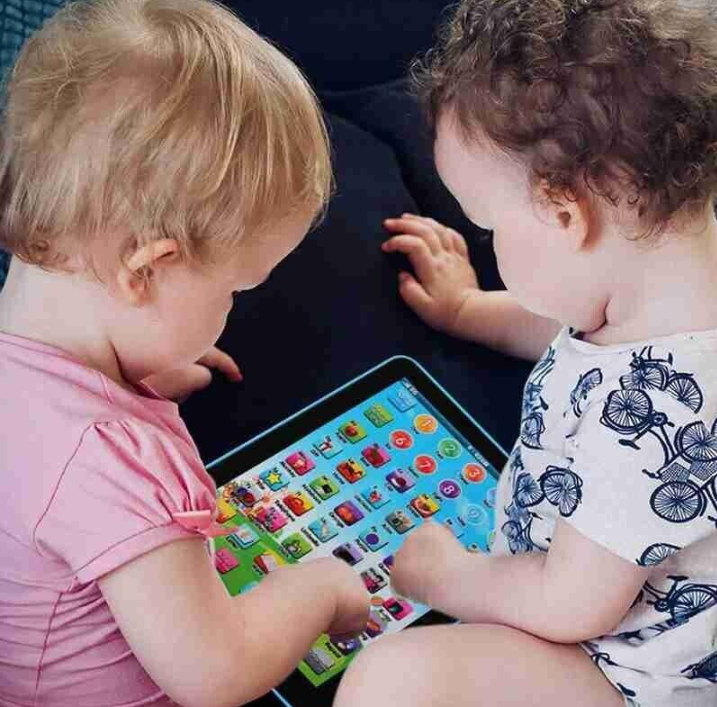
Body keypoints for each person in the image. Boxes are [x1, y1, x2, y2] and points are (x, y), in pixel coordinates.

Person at [334, 1, 717, 706]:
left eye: (489, 228)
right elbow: (580, 332)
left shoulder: (659, 415)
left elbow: (568, 604)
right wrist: (468, 309)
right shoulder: (666, 277)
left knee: (391, 680)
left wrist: (444, 576)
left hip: (628, 670)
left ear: (565, 213)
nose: (488, 245)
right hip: (597, 596)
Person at [0, 0, 368, 705]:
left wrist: (140, 366)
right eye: (235, 288)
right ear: (146, 270)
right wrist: (321, 588)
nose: (236, 309)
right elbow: (217, 672)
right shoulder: (119, 461)